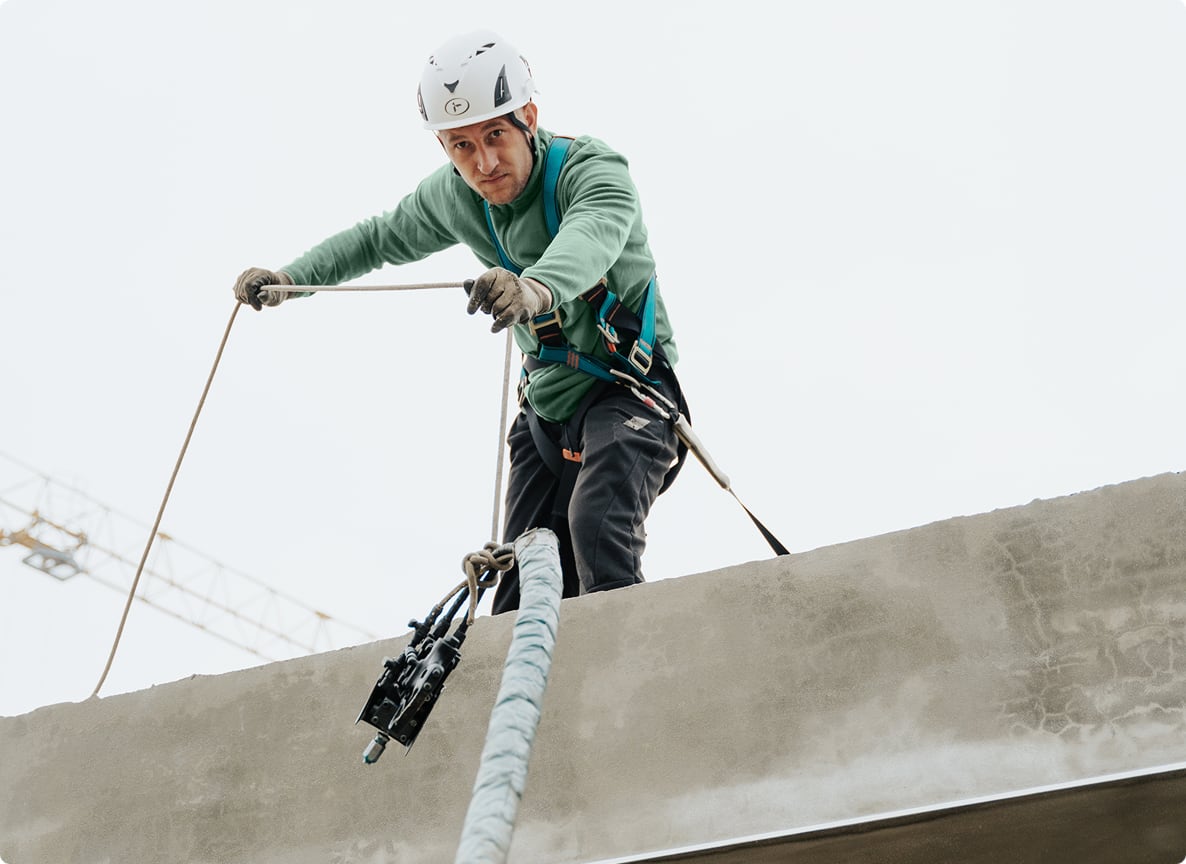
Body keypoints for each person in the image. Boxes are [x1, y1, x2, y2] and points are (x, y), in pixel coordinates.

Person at [232, 29, 684, 613]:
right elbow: (377, 238)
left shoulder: (590, 169)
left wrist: (533, 288)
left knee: (596, 527)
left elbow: (592, 234)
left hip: (629, 392)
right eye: (462, 146)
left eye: (495, 135)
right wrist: (292, 278)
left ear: (528, 117)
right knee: (520, 579)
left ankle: (625, 659)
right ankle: (531, 672)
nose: (484, 162)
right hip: (548, 410)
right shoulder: (454, 197)